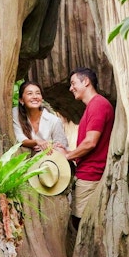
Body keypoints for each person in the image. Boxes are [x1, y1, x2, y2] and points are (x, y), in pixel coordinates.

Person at [65, 67, 114, 228]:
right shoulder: (93, 106)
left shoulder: (98, 104)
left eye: (73, 83)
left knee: (83, 223)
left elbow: (90, 142)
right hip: (86, 173)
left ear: (86, 81)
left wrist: (65, 157)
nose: (71, 88)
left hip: (91, 175)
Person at [12, 80, 68, 153]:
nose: (35, 96)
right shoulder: (15, 113)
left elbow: (62, 147)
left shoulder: (54, 120)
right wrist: (37, 142)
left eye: (38, 93)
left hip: (49, 161)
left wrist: (50, 146)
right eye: (30, 93)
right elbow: (19, 138)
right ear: (21, 100)